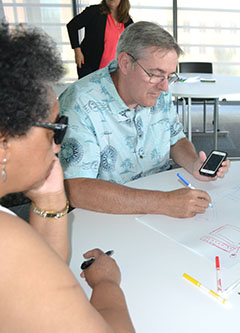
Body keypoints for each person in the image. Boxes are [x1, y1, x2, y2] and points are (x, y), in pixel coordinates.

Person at [0, 23, 134, 331]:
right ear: (4, 139)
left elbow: (42, 273)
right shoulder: (7, 241)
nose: (59, 142)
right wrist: (107, 285)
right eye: (55, 127)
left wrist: (49, 196)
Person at [59, 21, 230, 218]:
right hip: (106, 214)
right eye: (156, 75)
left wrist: (194, 164)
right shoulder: (80, 103)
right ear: (125, 63)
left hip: (160, 201)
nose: (165, 87)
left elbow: (175, 139)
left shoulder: (158, 88)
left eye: (170, 76)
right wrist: (163, 202)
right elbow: (77, 189)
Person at [67, 0, 133, 79]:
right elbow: (72, 26)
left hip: (112, 69)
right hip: (89, 65)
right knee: (89, 90)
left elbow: (132, 42)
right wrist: (77, 50)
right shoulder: (94, 11)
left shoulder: (127, 20)